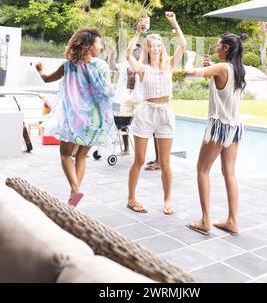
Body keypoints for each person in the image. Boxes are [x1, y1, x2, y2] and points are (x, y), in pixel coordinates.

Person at [36, 28, 116, 207]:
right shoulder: (101, 66)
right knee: (81, 156)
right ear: (89, 46)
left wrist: (40, 70)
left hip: (75, 118)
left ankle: (75, 190)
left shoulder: (68, 65)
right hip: (94, 119)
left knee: (65, 155)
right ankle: (73, 200)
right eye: (99, 43)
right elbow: (108, 92)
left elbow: (47, 79)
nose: (101, 47)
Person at [184, 33, 248, 235]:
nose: (215, 47)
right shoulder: (237, 69)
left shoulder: (221, 68)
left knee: (202, 170)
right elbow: (221, 78)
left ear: (226, 48)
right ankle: (233, 221)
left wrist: (189, 57)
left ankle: (205, 220)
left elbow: (188, 73)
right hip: (234, 127)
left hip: (220, 126)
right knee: (229, 172)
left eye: (218, 45)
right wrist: (210, 66)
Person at [126, 12, 186, 215]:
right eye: (152, 46)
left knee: (165, 163)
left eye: (159, 46)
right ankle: (131, 198)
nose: (156, 49)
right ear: (147, 49)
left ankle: (168, 200)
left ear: (162, 48)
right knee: (140, 160)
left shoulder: (169, 64)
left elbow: (183, 46)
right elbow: (127, 55)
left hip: (166, 114)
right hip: (146, 114)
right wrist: (137, 32)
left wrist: (174, 23)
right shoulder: (142, 68)